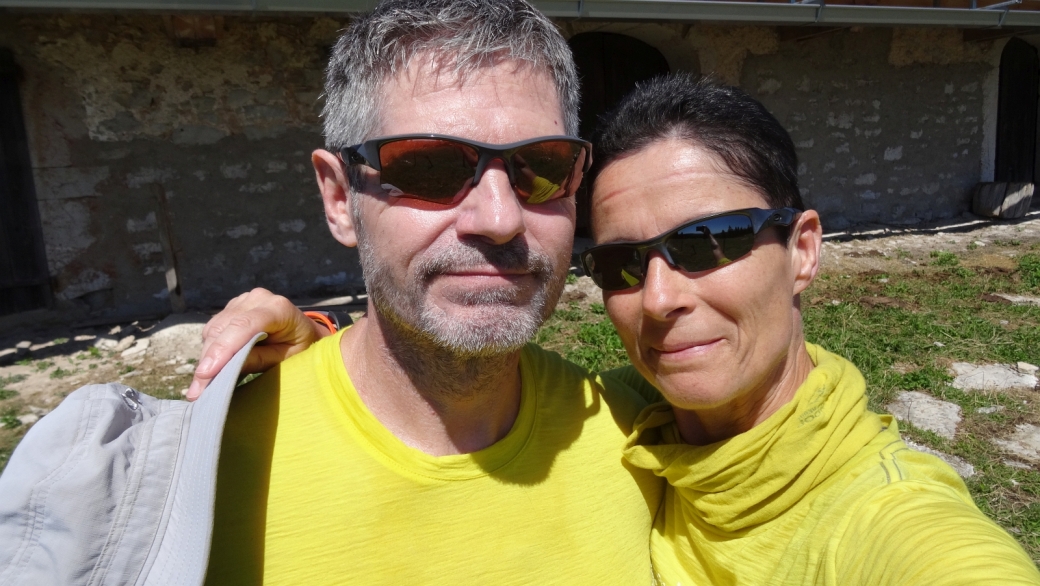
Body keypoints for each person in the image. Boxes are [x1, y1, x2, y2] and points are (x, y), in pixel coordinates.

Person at [194, 74, 1040, 584]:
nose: (662, 297)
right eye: (624, 264)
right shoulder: (626, 419)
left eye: (710, 242)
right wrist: (317, 338)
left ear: (804, 249)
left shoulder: (889, 517)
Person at [199, 1, 664, 584]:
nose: (500, 219)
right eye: (428, 167)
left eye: (542, 167)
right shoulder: (187, 484)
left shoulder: (649, 439)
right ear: (340, 199)